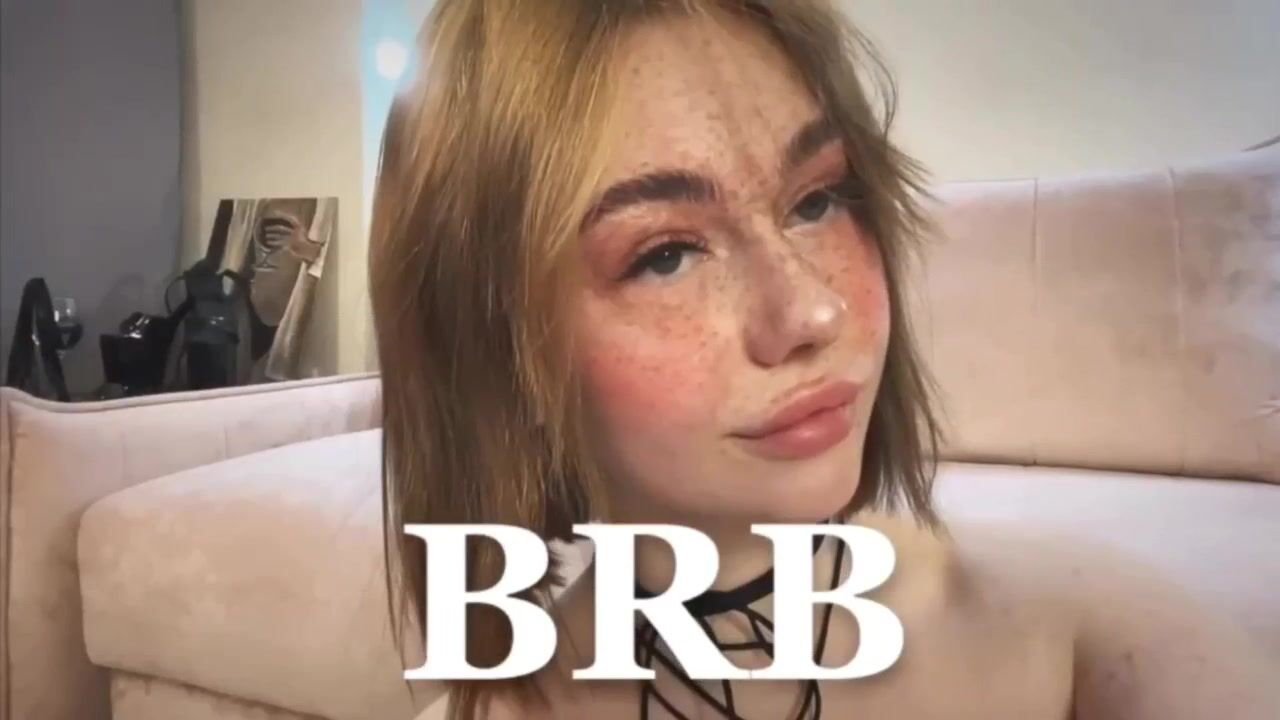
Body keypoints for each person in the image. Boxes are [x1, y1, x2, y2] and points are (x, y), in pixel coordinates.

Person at [369, 1, 1278, 719]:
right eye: (666, 254)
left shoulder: (1082, 634)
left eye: (817, 201)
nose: (812, 310)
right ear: (493, 356)